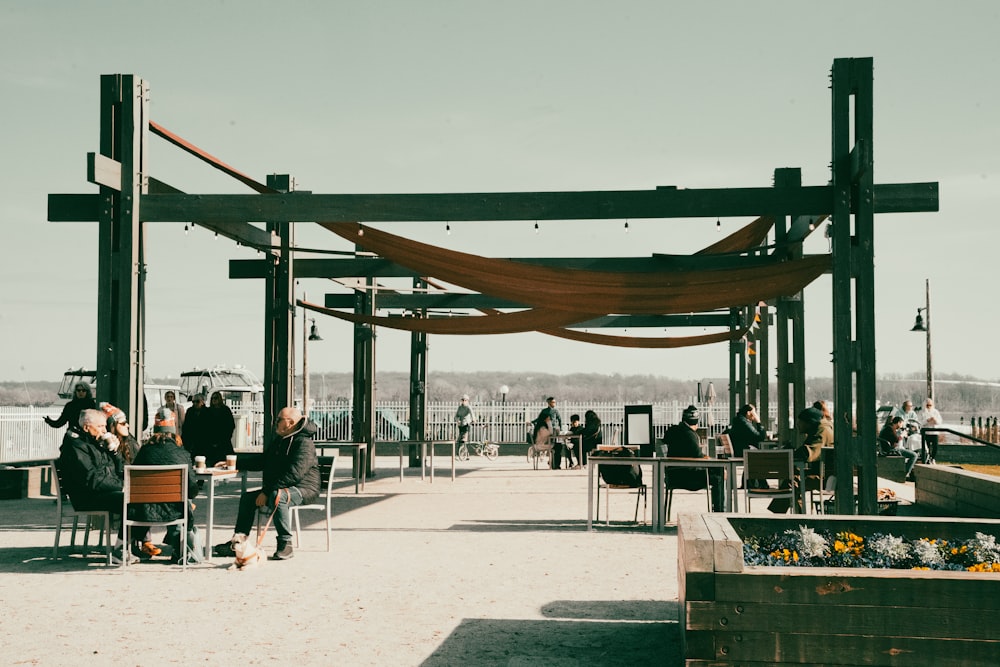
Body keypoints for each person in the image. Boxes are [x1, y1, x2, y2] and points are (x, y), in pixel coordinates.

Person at [214, 407, 320, 561]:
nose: (275, 423)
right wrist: (236, 462)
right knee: (247, 499)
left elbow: (294, 474)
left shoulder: (304, 443)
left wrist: (267, 491)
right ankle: (238, 542)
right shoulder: (280, 440)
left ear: (290, 423)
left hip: (304, 488)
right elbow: (263, 461)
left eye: (279, 420)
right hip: (280, 487)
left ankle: (286, 544)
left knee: (278, 497)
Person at [56, 408, 135, 564]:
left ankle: (127, 547)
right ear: (86, 427)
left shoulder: (93, 441)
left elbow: (119, 469)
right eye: (100, 427)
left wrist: (115, 452)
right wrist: (121, 486)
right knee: (130, 503)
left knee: (138, 501)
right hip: (86, 497)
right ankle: (120, 550)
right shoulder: (76, 446)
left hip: (100, 491)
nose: (104, 430)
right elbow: (91, 479)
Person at [131, 408, 201, 564]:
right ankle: (178, 546)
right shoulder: (181, 454)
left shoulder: (144, 452)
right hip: (174, 512)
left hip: (143, 510)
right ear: (173, 432)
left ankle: (135, 544)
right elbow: (192, 491)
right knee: (184, 501)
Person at [663, 405, 725, 512]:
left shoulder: (674, 431)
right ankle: (720, 510)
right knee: (719, 476)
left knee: (718, 471)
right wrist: (709, 459)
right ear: (697, 421)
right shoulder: (690, 435)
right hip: (687, 477)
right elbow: (698, 456)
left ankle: (720, 509)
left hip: (672, 475)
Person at [768, 407, 826, 514]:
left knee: (792, 482)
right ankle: (797, 515)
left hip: (825, 478)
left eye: (800, 422)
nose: (797, 425)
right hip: (822, 473)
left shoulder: (821, 433)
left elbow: (807, 453)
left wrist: (790, 453)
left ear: (809, 422)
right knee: (793, 478)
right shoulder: (820, 429)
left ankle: (782, 515)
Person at [879, 416, 918, 480]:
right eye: (902, 423)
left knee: (908, 452)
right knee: (914, 455)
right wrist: (902, 435)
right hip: (891, 450)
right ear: (898, 423)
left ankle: (905, 471)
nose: (902, 425)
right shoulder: (890, 429)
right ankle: (905, 473)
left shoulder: (888, 428)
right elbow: (896, 440)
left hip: (889, 448)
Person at [205, 392, 236, 466]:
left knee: (224, 463)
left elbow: (231, 425)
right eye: (212, 398)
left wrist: (226, 437)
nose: (213, 400)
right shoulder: (208, 411)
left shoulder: (225, 410)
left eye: (215, 398)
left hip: (223, 441)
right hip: (210, 442)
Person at [181, 393, 209, 463]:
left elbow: (211, 428)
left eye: (197, 401)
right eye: (193, 402)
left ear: (202, 402)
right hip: (192, 442)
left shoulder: (208, 411)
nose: (195, 403)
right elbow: (186, 427)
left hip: (205, 441)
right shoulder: (189, 411)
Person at [921, 398, 943, 463]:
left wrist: (935, 420)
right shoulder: (923, 412)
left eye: (930, 405)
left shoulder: (936, 412)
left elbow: (940, 422)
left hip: (934, 432)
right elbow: (921, 423)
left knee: (935, 447)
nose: (929, 407)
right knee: (926, 447)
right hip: (926, 432)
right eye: (927, 405)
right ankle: (927, 458)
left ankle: (933, 458)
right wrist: (927, 420)